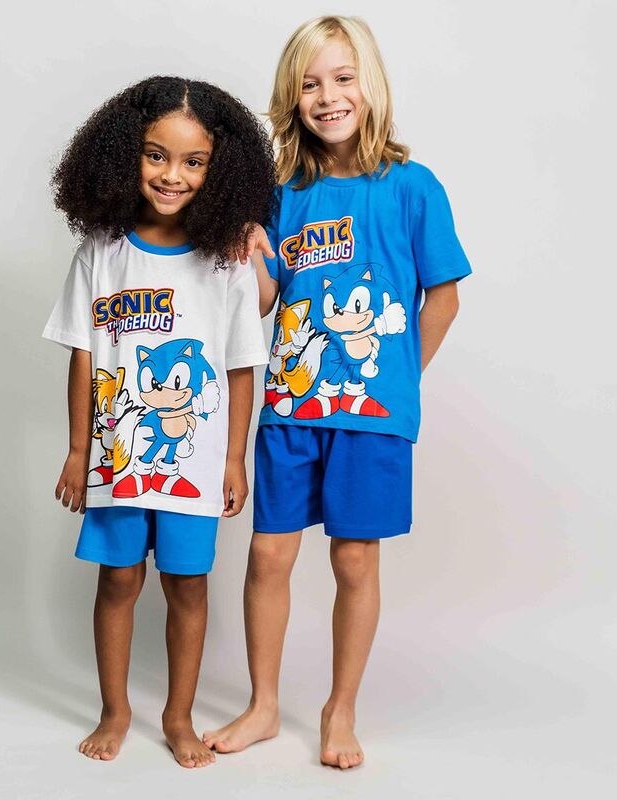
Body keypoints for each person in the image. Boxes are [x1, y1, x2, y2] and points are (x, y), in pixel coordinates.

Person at [202, 16, 472, 769]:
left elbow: (444, 297)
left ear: (370, 83)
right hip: (290, 409)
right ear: (292, 99)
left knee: (355, 561)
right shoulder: (281, 195)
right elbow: (263, 302)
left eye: (342, 78)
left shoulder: (412, 187)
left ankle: (339, 708)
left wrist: (400, 376)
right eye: (310, 85)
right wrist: (252, 255)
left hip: (372, 417)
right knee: (268, 556)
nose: (328, 97)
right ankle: (263, 705)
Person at [42, 75, 276, 768]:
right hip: (117, 459)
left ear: (220, 171)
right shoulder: (101, 252)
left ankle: (178, 716)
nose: (172, 175)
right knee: (117, 581)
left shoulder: (227, 261)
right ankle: (114, 710)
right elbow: (84, 356)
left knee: (186, 585)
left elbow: (241, 367)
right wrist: (78, 450)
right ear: (124, 155)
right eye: (156, 155)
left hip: (194, 466)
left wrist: (232, 459)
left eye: (193, 161)